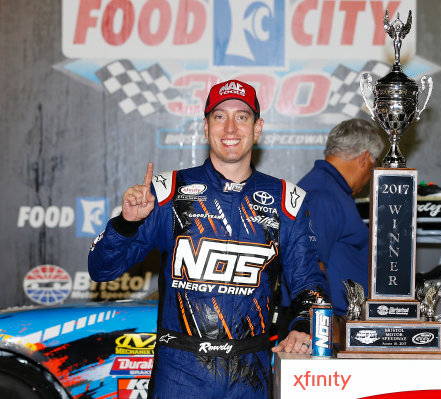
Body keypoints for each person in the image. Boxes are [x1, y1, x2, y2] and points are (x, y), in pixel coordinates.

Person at [88, 79, 328, 399]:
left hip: (250, 375)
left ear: (258, 128)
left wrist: (302, 327)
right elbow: (101, 269)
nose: (230, 127)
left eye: (242, 117)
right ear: (205, 127)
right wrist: (126, 223)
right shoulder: (168, 192)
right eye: (219, 116)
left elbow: (309, 284)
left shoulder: (286, 200)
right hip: (180, 374)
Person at [297, 118, 386, 317]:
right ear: (364, 158)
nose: (371, 173)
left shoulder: (328, 190)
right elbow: (310, 265)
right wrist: (325, 325)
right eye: (374, 164)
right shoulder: (322, 194)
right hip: (333, 323)